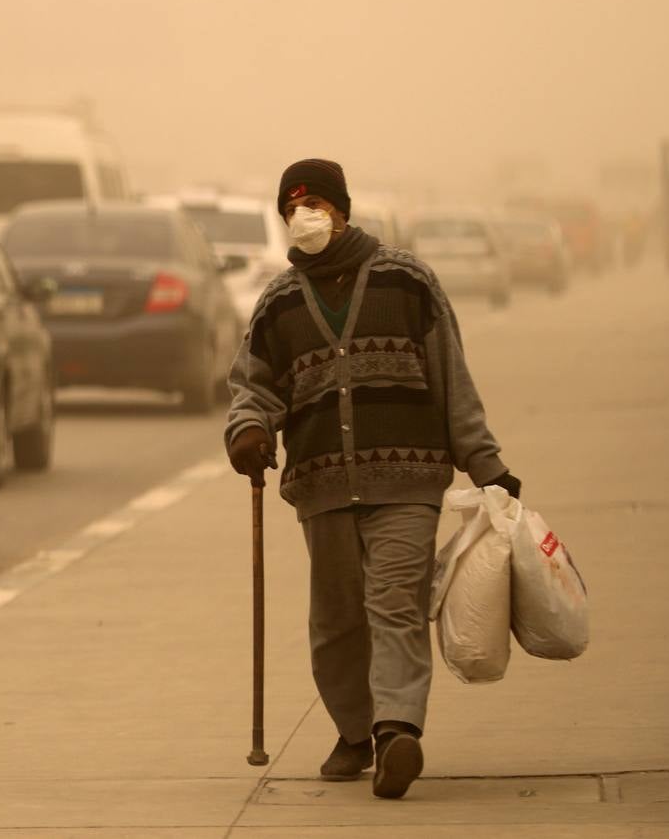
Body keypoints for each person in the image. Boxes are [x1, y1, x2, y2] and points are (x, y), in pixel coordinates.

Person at [223, 158, 520, 799]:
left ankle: (395, 731)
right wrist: (248, 430)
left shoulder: (407, 281)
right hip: (323, 486)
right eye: (293, 209)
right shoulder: (277, 302)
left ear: (343, 211)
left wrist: (485, 460)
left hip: (407, 481)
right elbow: (254, 385)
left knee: (395, 606)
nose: (304, 217)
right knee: (335, 622)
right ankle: (355, 731)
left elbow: (452, 379)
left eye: (316, 205)